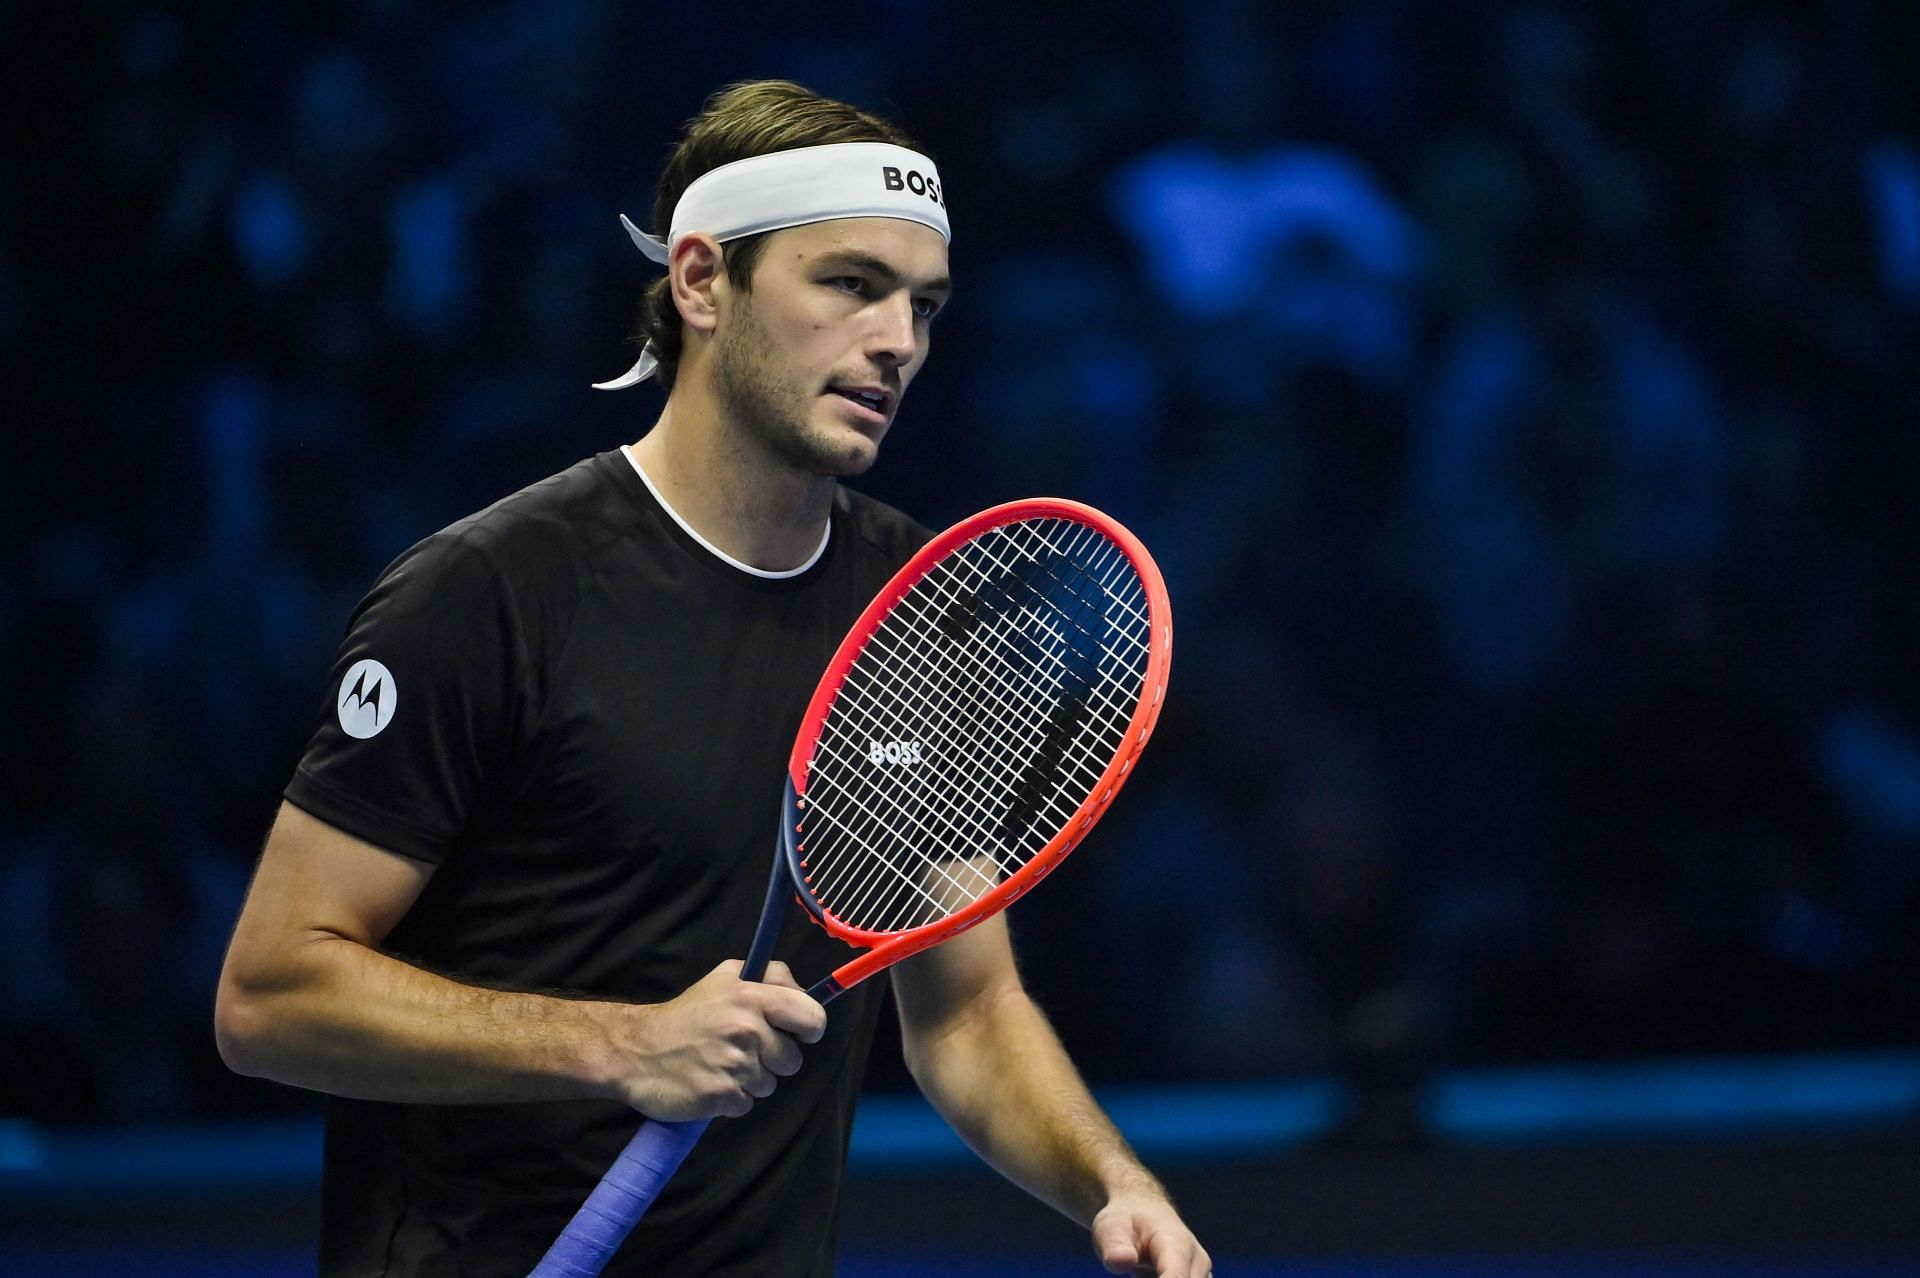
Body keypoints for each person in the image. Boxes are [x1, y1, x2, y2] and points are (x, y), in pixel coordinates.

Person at [215, 79, 1211, 1278]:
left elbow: (965, 1009)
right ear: (700, 282)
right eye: (849, 283)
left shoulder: (925, 608)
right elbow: (268, 998)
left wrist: (1113, 1181)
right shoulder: (485, 594)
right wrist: (623, 1045)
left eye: (924, 304)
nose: (898, 339)